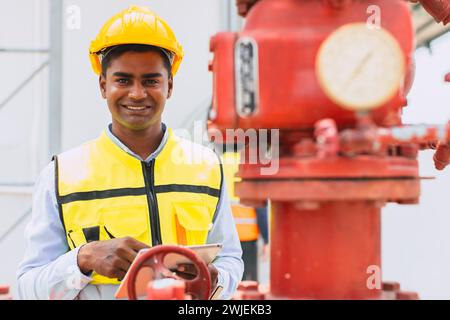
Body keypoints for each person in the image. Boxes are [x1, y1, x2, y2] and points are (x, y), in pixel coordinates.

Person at [16, 5, 243, 300]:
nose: (137, 93)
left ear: (169, 86)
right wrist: (82, 259)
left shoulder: (207, 168)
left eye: (151, 80)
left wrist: (216, 279)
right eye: (123, 80)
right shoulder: (61, 176)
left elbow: (231, 261)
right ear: (103, 85)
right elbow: (26, 288)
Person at [222, 151, 269, 281]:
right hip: (248, 237)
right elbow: (260, 207)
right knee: (249, 283)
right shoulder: (249, 164)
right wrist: (266, 239)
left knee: (230, 281)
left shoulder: (219, 162)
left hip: (225, 237)